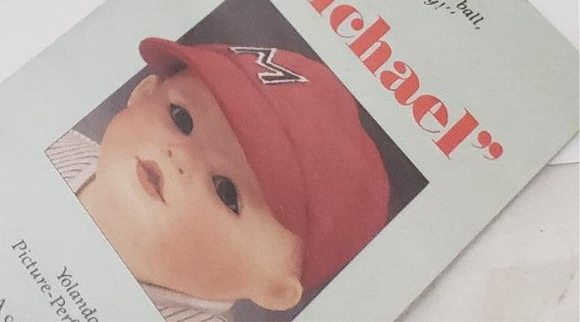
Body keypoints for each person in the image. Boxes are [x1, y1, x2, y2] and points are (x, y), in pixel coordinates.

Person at [45, 37, 389, 319]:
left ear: (274, 289)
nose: (180, 157)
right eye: (181, 118)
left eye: (226, 192)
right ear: (144, 93)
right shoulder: (54, 149)